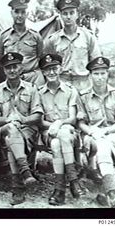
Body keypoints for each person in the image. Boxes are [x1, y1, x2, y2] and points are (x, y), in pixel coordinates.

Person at [0, 52, 43, 205]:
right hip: (4, 128)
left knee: (12, 138)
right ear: (4, 70)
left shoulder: (32, 89)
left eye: (15, 67)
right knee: (11, 130)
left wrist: (23, 119)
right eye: (8, 68)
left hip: (27, 130)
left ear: (21, 68)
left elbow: (37, 115)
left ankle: (17, 187)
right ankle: (25, 171)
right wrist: (9, 119)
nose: (12, 70)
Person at [77, 56, 115, 208]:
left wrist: (105, 131)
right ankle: (112, 192)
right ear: (90, 75)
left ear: (107, 74)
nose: (100, 77)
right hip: (90, 136)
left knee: (104, 144)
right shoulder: (83, 96)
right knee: (101, 145)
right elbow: (80, 123)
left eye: (103, 73)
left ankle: (109, 193)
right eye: (96, 74)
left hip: (112, 134)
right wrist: (93, 132)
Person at [38, 53, 84, 206]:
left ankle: (59, 190)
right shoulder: (38, 93)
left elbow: (72, 118)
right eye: (47, 70)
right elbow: (40, 121)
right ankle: (73, 181)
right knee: (56, 142)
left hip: (69, 133)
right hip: (49, 133)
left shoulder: (71, 90)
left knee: (62, 134)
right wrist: (52, 126)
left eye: (54, 68)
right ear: (43, 72)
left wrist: (58, 123)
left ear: (60, 69)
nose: (51, 73)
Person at [44, 0, 102, 90]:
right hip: (61, 86)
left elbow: (96, 64)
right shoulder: (53, 40)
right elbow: (47, 66)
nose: (68, 17)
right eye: (65, 13)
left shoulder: (88, 36)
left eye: (72, 13)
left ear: (77, 14)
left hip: (84, 85)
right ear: (60, 15)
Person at [0, 0, 45, 87]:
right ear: (11, 13)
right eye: (16, 12)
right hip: (13, 78)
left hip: (33, 78)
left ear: (27, 14)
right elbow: (0, 62)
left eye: (23, 12)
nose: (20, 15)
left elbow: (41, 58)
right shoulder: (3, 37)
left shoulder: (36, 36)